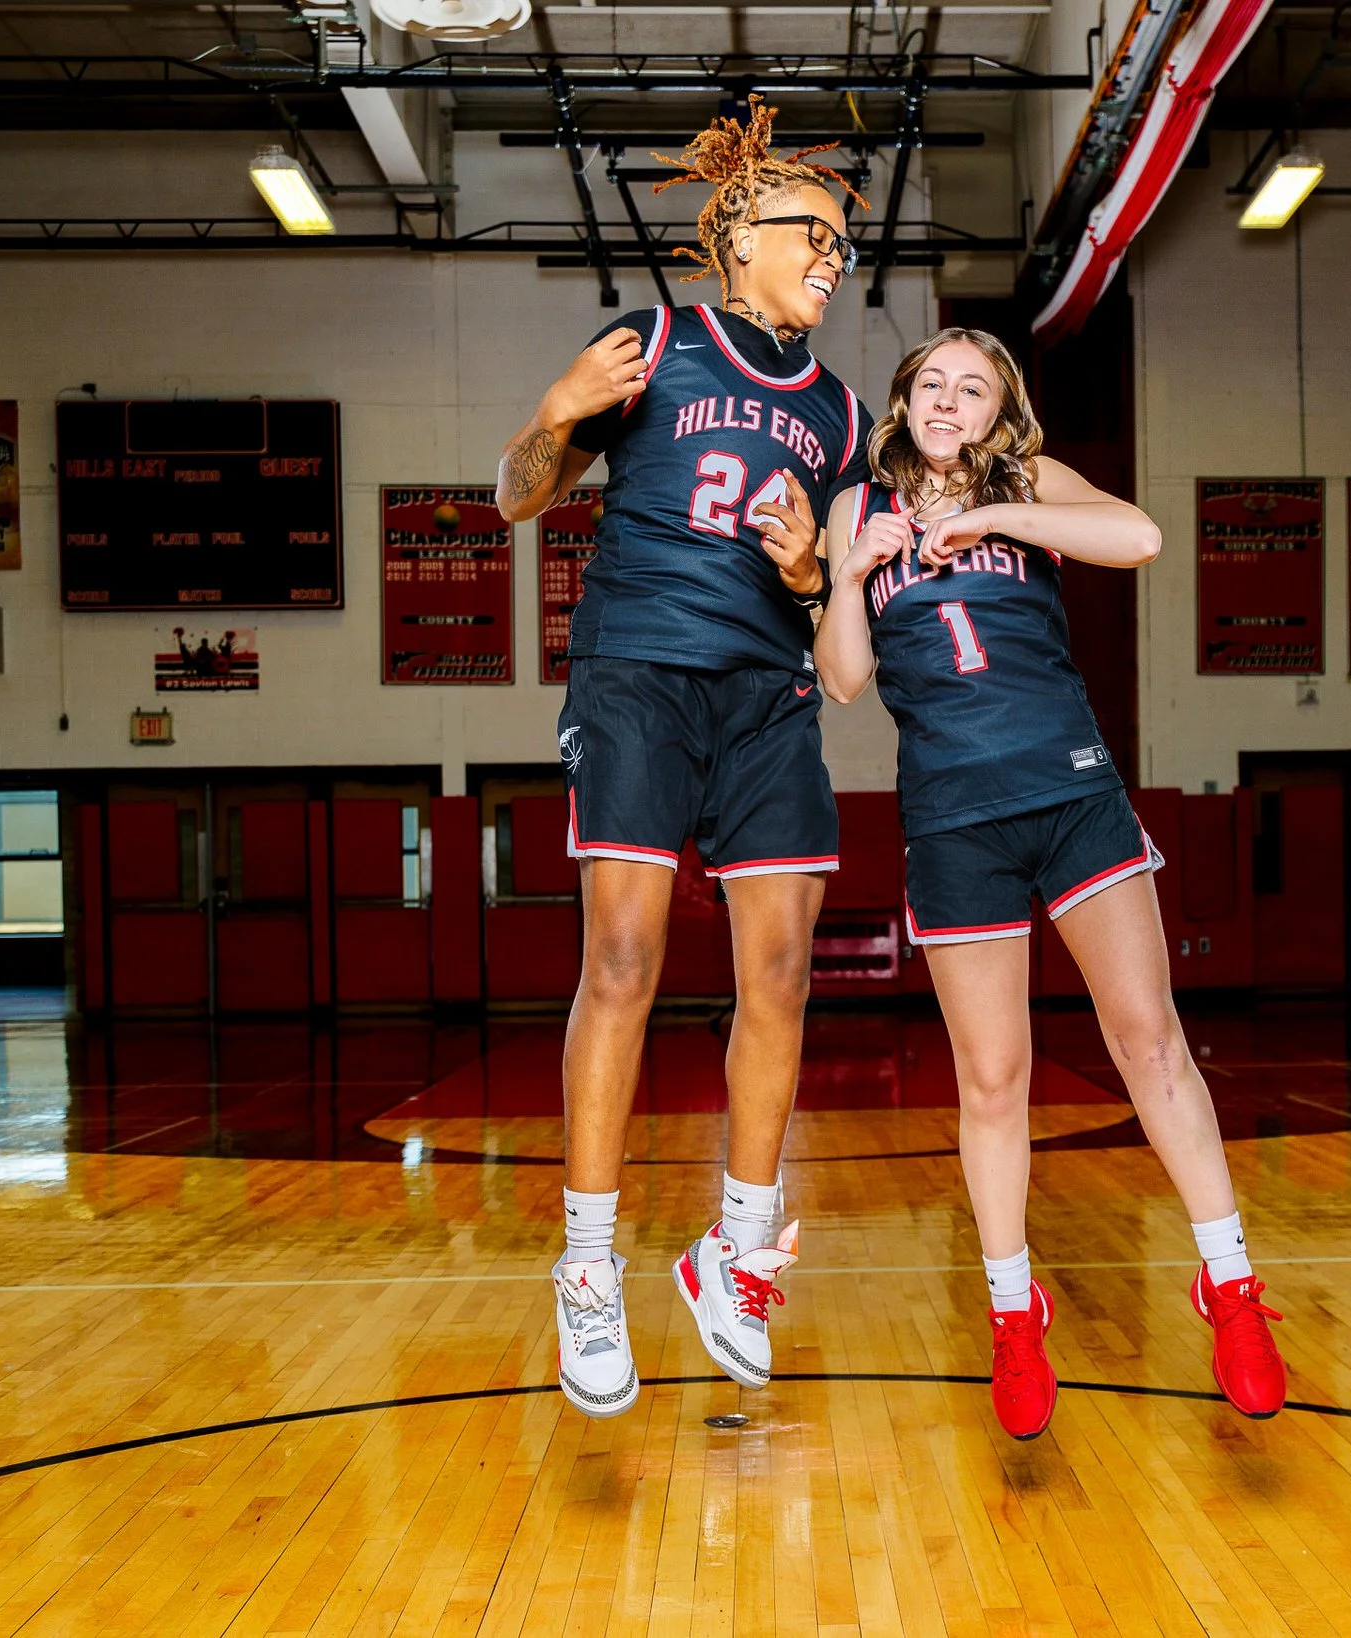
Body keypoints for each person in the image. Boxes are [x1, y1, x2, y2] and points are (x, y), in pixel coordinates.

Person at [811, 328, 1289, 1439]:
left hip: (1069, 793)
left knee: (1147, 1039)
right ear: (904, 398)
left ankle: (1228, 1288)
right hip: (952, 819)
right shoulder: (854, 506)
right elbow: (840, 681)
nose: (947, 397)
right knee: (992, 1080)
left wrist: (991, 517)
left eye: (971, 387)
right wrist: (849, 573)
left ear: (995, 414)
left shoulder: (1030, 484)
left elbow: (1141, 535)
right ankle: (1012, 1313)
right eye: (931, 380)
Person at [494, 97, 874, 1419]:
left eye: (842, 243)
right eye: (814, 233)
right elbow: (517, 492)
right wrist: (556, 407)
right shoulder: (653, 343)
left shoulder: (836, 407)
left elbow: (837, 590)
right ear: (738, 238)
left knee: (778, 971)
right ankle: (588, 1269)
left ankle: (737, 1247)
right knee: (625, 962)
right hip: (639, 678)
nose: (834, 257)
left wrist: (812, 567)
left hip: (768, 694)